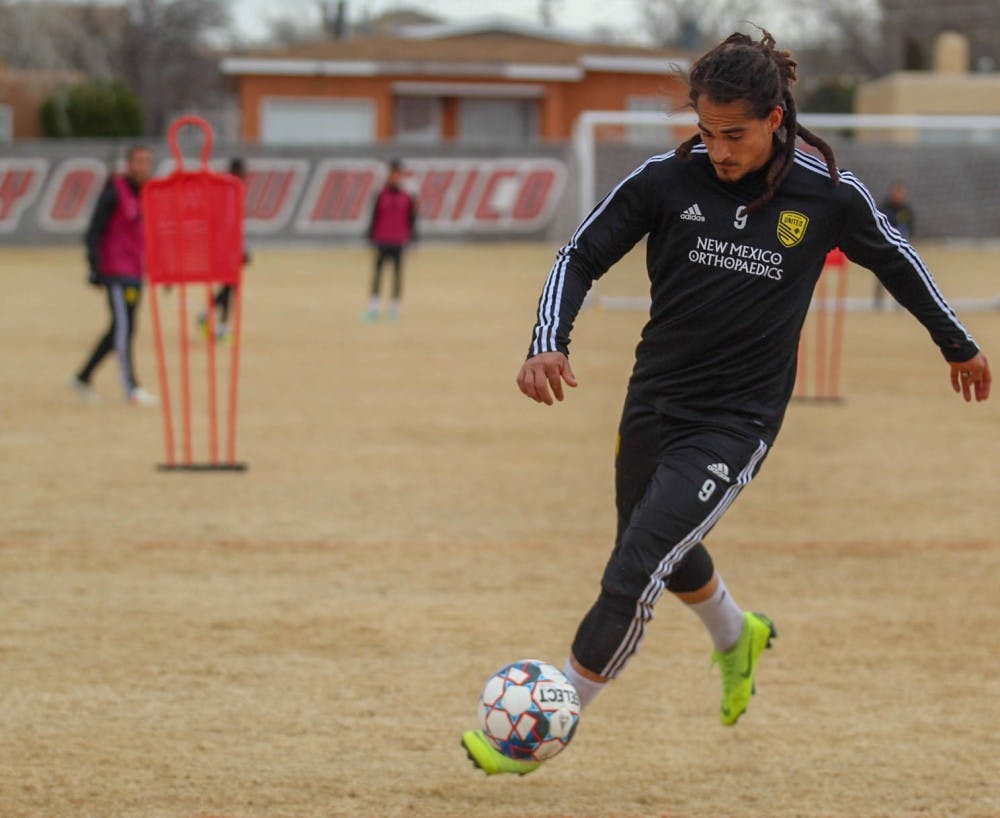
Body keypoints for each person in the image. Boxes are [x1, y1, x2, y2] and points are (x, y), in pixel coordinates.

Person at [461, 30, 991, 776]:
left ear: (777, 119)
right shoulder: (665, 180)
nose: (718, 150)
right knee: (658, 546)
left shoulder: (828, 193)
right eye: (705, 132)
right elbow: (578, 254)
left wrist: (956, 343)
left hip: (735, 423)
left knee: (636, 563)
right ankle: (737, 634)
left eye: (734, 134)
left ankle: (547, 727)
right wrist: (549, 338)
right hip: (654, 403)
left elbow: (897, 261)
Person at [72, 144, 159, 407]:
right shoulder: (114, 192)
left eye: (147, 161)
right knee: (123, 329)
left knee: (122, 329)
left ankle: (83, 376)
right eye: (138, 161)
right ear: (129, 163)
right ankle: (131, 387)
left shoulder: (147, 193)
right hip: (115, 272)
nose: (142, 167)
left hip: (135, 271)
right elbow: (94, 231)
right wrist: (95, 267)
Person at [197, 157, 251, 341]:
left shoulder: (226, 189)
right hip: (226, 246)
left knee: (230, 285)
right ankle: (220, 325)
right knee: (231, 284)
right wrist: (241, 248)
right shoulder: (231, 190)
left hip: (223, 244)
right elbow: (231, 222)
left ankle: (212, 318)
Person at [364, 158, 417, 321]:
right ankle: (374, 308)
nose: (395, 177)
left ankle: (394, 309)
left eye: (398, 174)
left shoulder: (407, 196)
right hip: (382, 239)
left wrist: (413, 239)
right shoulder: (380, 194)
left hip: (399, 240)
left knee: (397, 275)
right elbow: (374, 217)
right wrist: (370, 237)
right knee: (378, 274)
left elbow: (412, 220)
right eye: (393, 173)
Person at [873, 180, 916, 310]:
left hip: (901, 248)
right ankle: (878, 302)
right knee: (881, 275)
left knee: (901, 276)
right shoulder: (883, 208)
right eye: (897, 192)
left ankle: (900, 302)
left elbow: (911, 227)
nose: (900, 195)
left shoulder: (906, 210)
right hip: (884, 247)